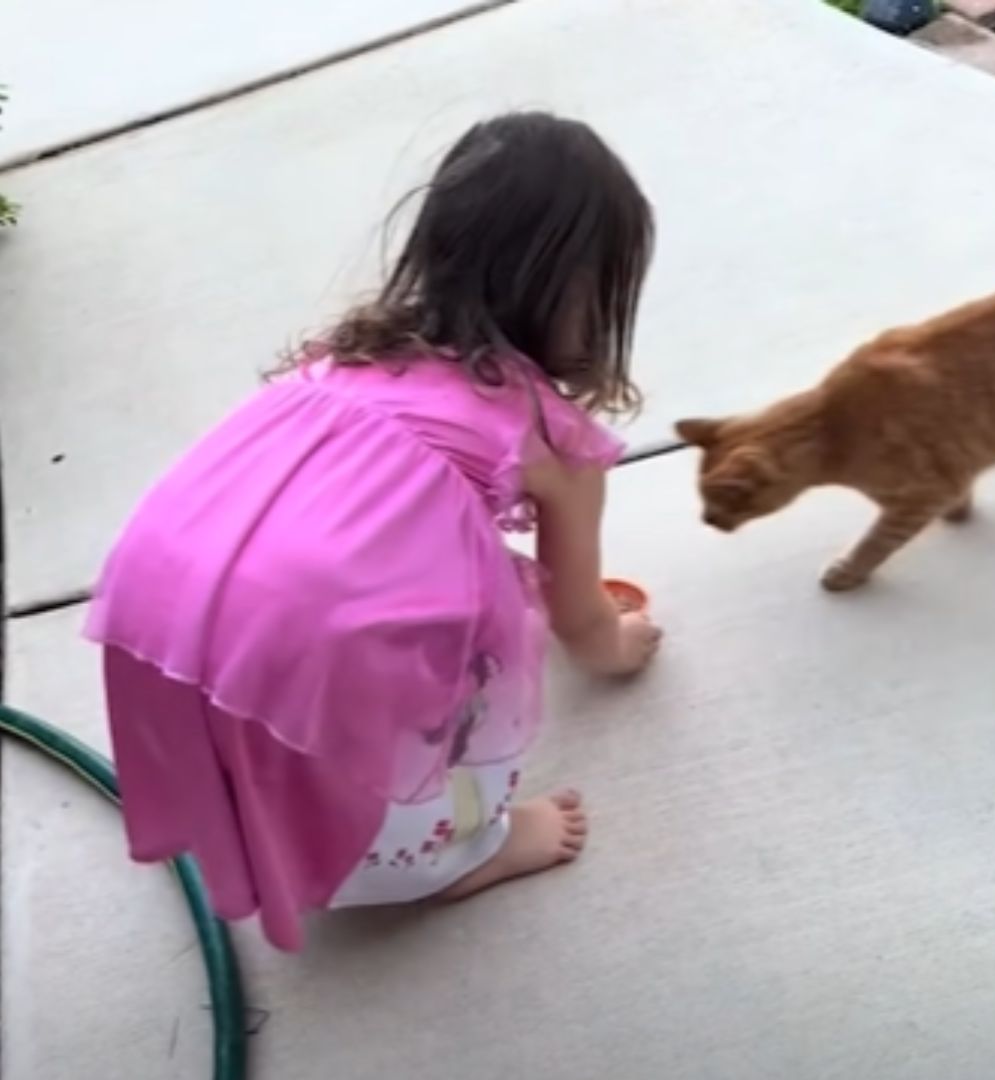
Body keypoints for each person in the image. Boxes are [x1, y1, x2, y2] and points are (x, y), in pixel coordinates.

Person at [85, 112, 662, 952]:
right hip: (303, 617)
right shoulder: (551, 435)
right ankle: (458, 854)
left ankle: (277, 827)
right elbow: (580, 620)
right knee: (470, 670)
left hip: (162, 581)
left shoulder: (343, 359)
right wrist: (622, 647)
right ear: (592, 295)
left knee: (269, 696)